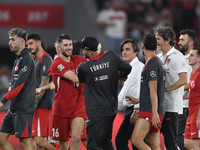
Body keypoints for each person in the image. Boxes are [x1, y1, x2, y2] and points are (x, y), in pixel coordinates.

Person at [77, 36, 132, 150]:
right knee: (106, 143)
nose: (82, 51)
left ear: (90, 51)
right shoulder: (110, 56)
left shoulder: (83, 67)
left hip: (96, 111)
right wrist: (120, 76)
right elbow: (127, 67)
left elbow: (81, 79)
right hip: (111, 108)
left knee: (93, 146)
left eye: (83, 49)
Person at [127, 33, 165, 150]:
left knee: (136, 140)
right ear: (156, 47)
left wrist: (154, 113)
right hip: (155, 108)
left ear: (142, 46)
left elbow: (153, 88)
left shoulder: (152, 63)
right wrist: (139, 100)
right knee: (153, 144)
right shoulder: (157, 62)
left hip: (150, 110)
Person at [0, 28, 36, 150]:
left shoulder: (26, 59)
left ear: (22, 42)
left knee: (25, 143)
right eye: (9, 39)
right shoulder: (19, 58)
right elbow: (12, 84)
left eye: (13, 40)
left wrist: (2, 101)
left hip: (24, 108)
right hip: (14, 107)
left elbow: (19, 85)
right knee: (2, 138)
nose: (9, 42)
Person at [50, 34, 87, 150]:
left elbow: (94, 65)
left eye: (70, 44)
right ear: (59, 47)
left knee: (76, 139)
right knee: (64, 145)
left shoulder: (79, 60)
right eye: (65, 45)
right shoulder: (57, 64)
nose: (69, 47)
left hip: (78, 108)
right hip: (61, 110)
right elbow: (76, 78)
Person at [154, 26, 187, 150]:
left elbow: (184, 80)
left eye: (158, 39)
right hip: (159, 107)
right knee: (151, 140)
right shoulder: (159, 57)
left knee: (170, 144)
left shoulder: (177, 56)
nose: (156, 41)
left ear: (167, 40)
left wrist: (166, 89)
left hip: (171, 108)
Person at [26, 34, 55, 150]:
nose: (29, 47)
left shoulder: (45, 58)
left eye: (31, 43)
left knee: (40, 140)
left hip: (43, 106)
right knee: (31, 139)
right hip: (40, 106)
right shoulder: (38, 61)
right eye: (27, 44)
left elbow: (44, 83)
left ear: (39, 43)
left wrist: (34, 104)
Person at [115, 39, 144, 150]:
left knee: (121, 140)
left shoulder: (139, 67)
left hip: (135, 109)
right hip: (130, 109)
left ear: (136, 51)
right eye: (122, 50)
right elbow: (126, 91)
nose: (124, 52)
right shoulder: (129, 68)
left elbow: (140, 89)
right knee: (137, 142)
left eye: (127, 49)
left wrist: (136, 110)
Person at [177, 29, 196, 150]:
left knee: (193, 140)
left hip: (192, 108)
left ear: (190, 43)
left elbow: (193, 82)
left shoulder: (196, 60)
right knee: (178, 136)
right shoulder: (180, 59)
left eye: (182, 40)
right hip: (180, 106)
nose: (179, 42)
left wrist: (174, 90)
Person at [184, 48, 200, 150]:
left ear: (199, 59)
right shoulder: (192, 74)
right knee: (187, 143)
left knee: (195, 145)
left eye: (192, 55)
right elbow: (193, 93)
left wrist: (199, 116)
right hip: (191, 113)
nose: (188, 57)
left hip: (197, 113)